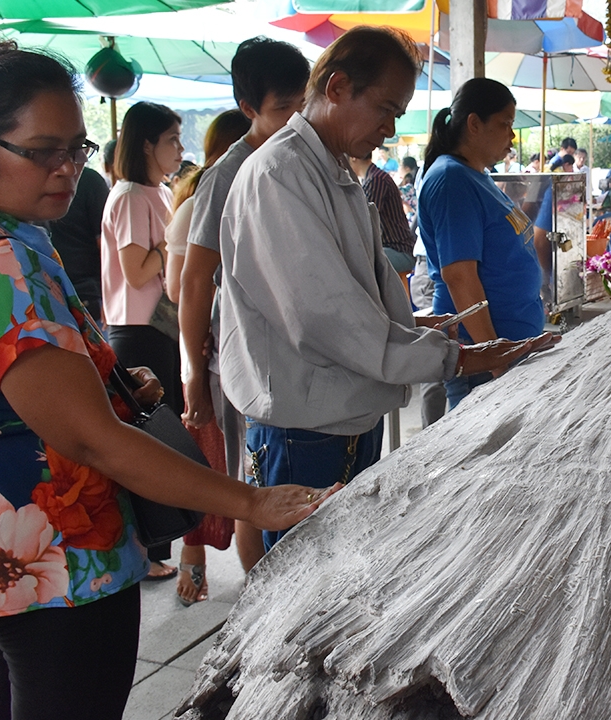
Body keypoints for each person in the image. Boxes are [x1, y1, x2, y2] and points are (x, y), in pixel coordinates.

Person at [0, 30, 331, 720]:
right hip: (61, 560)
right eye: (42, 152)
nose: (67, 169)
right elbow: (92, 441)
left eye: (76, 149)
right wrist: (248, 502)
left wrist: (107, 381)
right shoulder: (3, 259)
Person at [220, 27, 554, 550]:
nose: (389, 129)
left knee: (347, 575)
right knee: (306, 591)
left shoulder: (333, 170)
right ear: (336, 88)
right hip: (304, 429)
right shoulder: (279, 175)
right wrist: (464, 357)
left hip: (348, 415)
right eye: (385, 109)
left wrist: (408, 323)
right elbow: (329, 319)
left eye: (398, 114)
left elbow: (359, 292)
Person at [179, 36, 310, 573]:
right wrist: (192, 375)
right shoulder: (227, 176)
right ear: (247, 109)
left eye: (304, 104)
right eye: (284, 109)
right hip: (246, 362)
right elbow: (192, 281)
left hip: (297, 361)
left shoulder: (309, 160)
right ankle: (258, 604)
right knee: (250, 487)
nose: (297, 119)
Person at [162, 108, 251, 606]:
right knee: (219, 465)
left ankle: (198, 566)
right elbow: (181, 289)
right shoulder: (204, 199)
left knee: (225, 465)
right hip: (209, 350)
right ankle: (195, 565)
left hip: (212, 349)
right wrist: (193, 371)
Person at [418, 77, 550, 409]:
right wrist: (494, 360)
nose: (512, 135)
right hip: (483, 364)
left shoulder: (478, 176)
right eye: (505, 124)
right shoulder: (451, 181)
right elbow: (460, 277)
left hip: (510, 348)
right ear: (474, 124)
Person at [100, 100, 184, 581]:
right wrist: (171, 240)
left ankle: (156, 546)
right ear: (147, 144)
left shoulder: (157, 192)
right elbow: (136, 273)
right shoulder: (132, 195)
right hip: (139, 330)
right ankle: (148, 547)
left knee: (164, 435)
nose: (179, 148)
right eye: (171, 139)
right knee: (150, 437)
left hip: (159, 327)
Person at [47, 157, 108, 319]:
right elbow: (106, 246)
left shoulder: (89, 181)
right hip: (70, 294)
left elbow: (106, 245)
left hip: (76, 294)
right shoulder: (89, 180)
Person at [349, 151, 417, 274]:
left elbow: (364, 221)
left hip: (399, 250)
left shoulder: (376, 180)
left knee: (353, 264)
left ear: (353, 157)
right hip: (395, 248)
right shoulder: (374, 177)